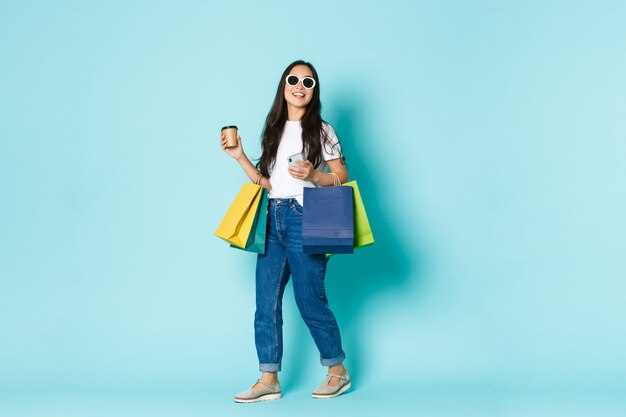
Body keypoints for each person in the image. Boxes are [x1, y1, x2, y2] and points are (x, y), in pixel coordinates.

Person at [221, 60, 351, 402]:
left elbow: (342, 177)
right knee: (266, 303)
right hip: (273, 216)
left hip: (306, 217)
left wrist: (314, 176)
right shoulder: (274, 127)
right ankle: (268, 379)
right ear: (283, 85)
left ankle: (337, 370)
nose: (300, 86)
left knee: (310, 300)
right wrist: (239, 156)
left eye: (308, 82)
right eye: (293, 79)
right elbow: (267, 182)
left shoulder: (323, 130)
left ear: (314, 90)